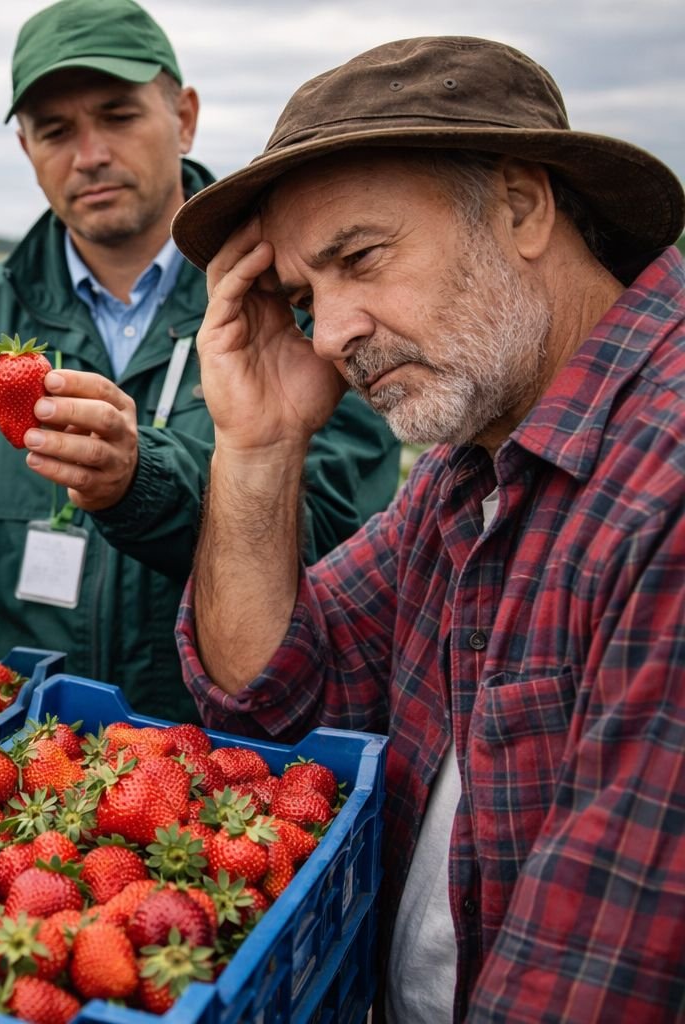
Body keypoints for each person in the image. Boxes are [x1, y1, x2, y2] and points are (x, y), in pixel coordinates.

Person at [171, 35, 685, 1023]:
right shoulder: (464, 477)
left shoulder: (663, 482)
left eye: (361, 258)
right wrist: (258, 443)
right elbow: (269, 705)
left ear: (524, 206)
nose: (331, 334)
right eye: (304, 299)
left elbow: (593, 982)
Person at [0, 0, 400, 721]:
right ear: (28, 152)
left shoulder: (297, 303)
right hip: (14, 741)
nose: (89, 154)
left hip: (214, 751)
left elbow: (343, 544)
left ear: (183, 116)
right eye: (55, 131)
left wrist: (144, 485)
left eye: (118, 116)